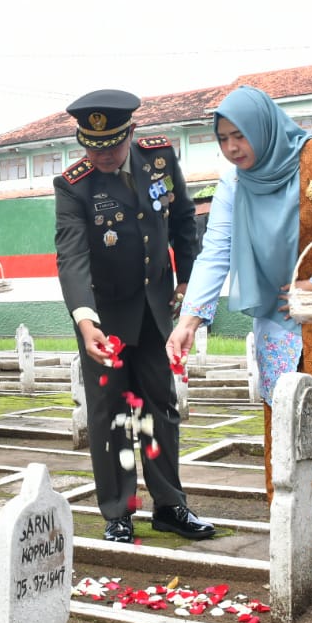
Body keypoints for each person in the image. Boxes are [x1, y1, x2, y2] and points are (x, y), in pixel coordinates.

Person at [165, 86, 312, 560]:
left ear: (264, 127)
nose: (232, 148)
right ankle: (297, 520)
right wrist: (190, 319)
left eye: (240, 135)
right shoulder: (234, 184)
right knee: (290, 419)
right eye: (223, 139)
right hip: (278, 319)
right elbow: (216, 251)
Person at [54, 89, 213, 544]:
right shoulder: (74, 184)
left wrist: (185, 281)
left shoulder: (158, 158)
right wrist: (86, 321)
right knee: (110, 415)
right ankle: (118, 512)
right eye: (92, 147)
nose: (102, 156)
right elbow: (72, 257)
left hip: (156, 311)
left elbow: (183, 218)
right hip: (103, 320)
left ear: (131, 133)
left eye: (111, 146)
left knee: (160, 407)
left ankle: (170, 506)